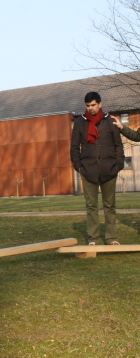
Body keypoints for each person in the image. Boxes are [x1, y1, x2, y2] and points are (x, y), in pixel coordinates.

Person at [70, 91, 125, 246]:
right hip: (88, 170)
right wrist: (78, 166)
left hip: (109, 169)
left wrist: (119, 164)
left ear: (100, 104)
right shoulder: (80, 122)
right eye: (88, 106)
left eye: (93, 105)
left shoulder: (110, 121)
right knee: (91, 206)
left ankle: (111, 238)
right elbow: (74, 147)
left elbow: (118, 146)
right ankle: (93, 239)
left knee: (110, 205)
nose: (90, 108)